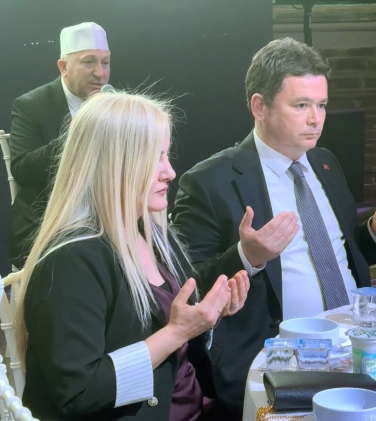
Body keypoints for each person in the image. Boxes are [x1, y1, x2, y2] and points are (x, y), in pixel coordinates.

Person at [171, 38, 376, 418]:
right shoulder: (210, 181)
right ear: (259, 106)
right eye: (301, 105)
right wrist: (247, 257)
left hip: (354, 342)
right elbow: (187, 287)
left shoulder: (326, 163)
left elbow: (339, 256)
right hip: (276, 357)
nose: (316, 119)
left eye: (322, 105)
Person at [16, 92, 250, 421]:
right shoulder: (70, 261)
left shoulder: (153, 235)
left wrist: (206, 316)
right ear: (112, 165)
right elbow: (79, 392)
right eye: (155, 158)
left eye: (167, 155)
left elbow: (174, 342)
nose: (170, 172)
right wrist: (176, 332)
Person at [8, 22, 111, 268]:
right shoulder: (32, 105)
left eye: (105, 62)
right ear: (63, 67)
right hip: (48, 222)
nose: (100, 73)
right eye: (88, 62)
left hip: (106, 216)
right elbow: (22, 169)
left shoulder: (113, 103)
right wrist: (73, 135)